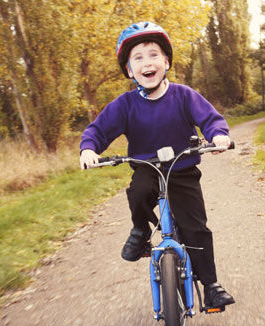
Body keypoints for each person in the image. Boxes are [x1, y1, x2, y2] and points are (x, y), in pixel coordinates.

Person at [79, 22, 235, 309]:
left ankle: (211, 285)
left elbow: (210, 118)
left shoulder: (184, 95)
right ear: (129, 70)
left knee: (196, 228)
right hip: (147, 169)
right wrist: (89, 149)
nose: (146, 62)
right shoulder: (124, 105)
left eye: (153, 55)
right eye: (137, 58)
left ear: (166, 62)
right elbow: (98, 130)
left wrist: (219, 135)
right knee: (138, 192)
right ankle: (140, 231)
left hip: (183, 170)